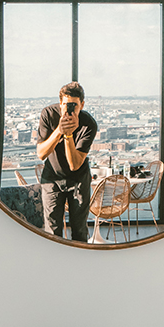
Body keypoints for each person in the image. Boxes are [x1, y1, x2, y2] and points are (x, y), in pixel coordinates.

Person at [36, 82, 97, 241]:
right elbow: (41, 154)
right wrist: (59, 131)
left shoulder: (88, 124)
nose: (69, 110)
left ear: (82, 105)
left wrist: (68, 135)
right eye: (65, 105)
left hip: (78, 179)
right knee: (52, 230)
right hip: (52, 177)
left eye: (74, 106)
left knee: (79, 229)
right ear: (60, 103)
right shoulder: (49, 114)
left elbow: (75, 165)